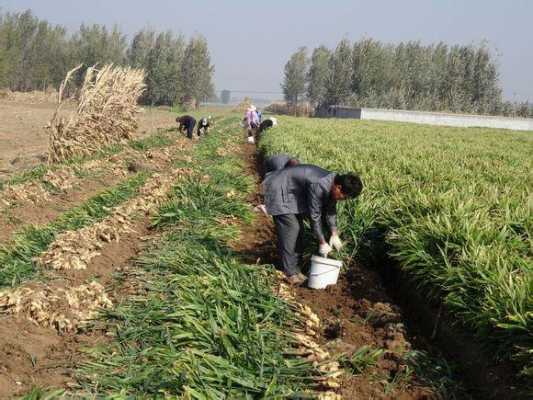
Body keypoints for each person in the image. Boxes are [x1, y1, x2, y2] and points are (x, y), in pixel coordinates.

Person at [262, 164, 363, 285]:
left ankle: (295, 269)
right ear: (339, 187)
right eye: (344, 197)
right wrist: (322, 242)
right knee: (292, 228)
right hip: (279, 189)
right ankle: (289, 272)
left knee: (300, 231)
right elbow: (315, 216)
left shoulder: (333, 184)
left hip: (293, 195)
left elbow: (330, 211)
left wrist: (334, 234)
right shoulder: (320, 185)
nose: (343, 200)